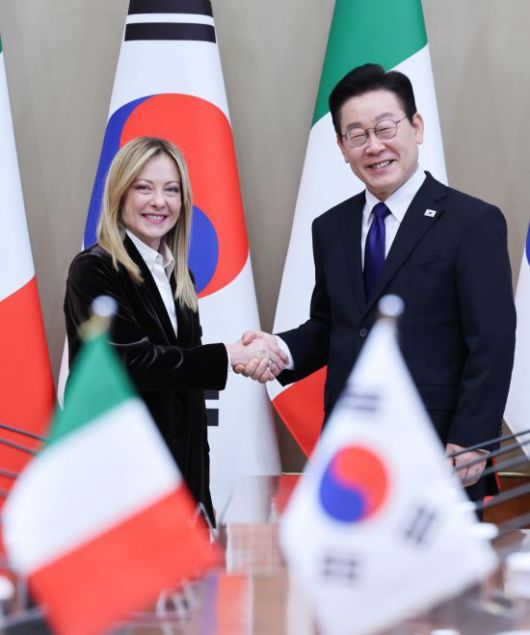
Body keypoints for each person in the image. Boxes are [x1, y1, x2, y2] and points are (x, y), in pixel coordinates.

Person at [237, 64, 516, 500]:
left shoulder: (472, 222)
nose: (374, 146)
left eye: (386, 128)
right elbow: (332, 326)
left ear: (416, 127)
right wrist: (279, 349)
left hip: (440, 451)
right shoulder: (330, 227)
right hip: (351, 452)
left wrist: (472, 439)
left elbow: (492, 341)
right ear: (341, 146)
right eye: (357, 135)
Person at [64, 137, 286, 524]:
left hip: (181, 486)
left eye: (171, 190)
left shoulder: (180, 278)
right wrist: (230, 355)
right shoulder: (94, 269)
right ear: (119, 193)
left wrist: (200, 498)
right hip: (123, 486)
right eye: (144, 188)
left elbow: (185, 389)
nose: (159, 202)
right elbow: (129, 365)